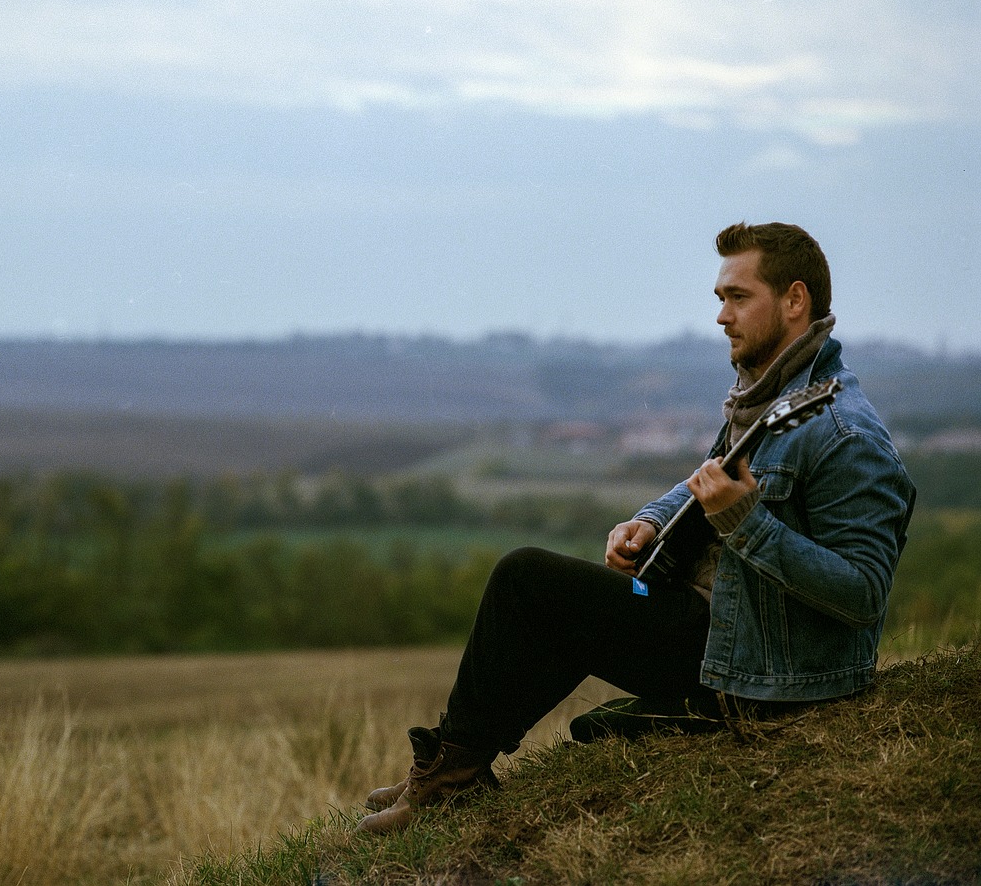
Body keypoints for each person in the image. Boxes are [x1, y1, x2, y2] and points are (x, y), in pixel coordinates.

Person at [357, 221, 916, 834]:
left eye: (737, 297)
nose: (722, 316)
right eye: (720, 299)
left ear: (794, 301)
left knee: (527, 579)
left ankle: (449, 779)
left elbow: (863, 594)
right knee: (551, 594)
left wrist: (746, 524)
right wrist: (649, 520)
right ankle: (451, 771)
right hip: (722, 628)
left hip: (768, 671)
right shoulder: (770, 397)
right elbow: (710, 478)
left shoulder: (846, 434)